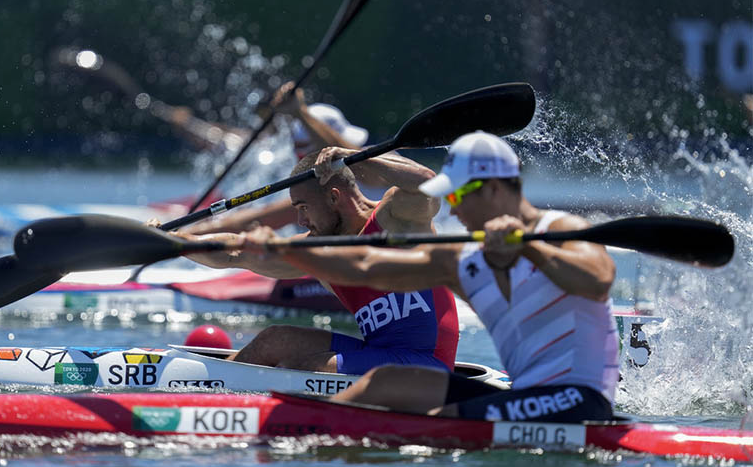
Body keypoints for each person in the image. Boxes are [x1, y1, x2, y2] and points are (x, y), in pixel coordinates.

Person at [242, 131, 619, 423]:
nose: (452, 214)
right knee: (384, 382)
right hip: (525, 396)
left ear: (491, 189)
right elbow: (367, 268)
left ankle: (319, 435)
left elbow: (598, 281)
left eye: (456, 199)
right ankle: (300, 433)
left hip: (578, 400)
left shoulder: (562, 227)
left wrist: (528, 247)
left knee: (441, 425)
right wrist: (284, 250)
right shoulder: (464, 259)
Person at [172, 139, 460, 375]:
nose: (299, 220)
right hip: (379, 355)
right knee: (274, 340)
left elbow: (429, 183)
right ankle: (209, 386)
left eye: (304, 207)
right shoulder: (319, 252)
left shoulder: (395, 217)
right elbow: (237, 252)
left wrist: (355, 157)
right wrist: (178, 242)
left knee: (311, 369)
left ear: (334, 197)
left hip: (428, 365)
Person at [184, 82, 372, 235]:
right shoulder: (314, 193)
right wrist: (185, 235)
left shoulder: (376, 168)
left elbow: (358, 161)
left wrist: (300, 113)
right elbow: (258, 218)